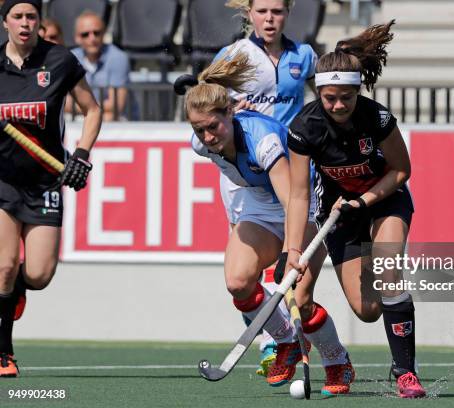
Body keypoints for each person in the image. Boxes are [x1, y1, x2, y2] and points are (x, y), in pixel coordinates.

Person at [178, 51, 354, 395]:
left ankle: (337, 361)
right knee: (238, 282)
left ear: (231, 111)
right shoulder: (201, 144)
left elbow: (293, 201)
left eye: (213, 127)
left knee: (300, 298)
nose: (208, 136)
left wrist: (292, 252)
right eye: (200, 129)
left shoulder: (265, 141)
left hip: (305, 202)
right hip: (260, 204)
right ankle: (285, 339)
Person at [284, 20, 427, 398]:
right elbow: (299, 196)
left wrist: (363, 201)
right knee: (367, 309)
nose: (338, 105)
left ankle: (405, 373)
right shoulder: (304, 128)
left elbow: (401, 170)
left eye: (346, 96)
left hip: (384, 201)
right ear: (318, 92)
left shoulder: (376, 118)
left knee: (388, 273)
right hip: (339, 215)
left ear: (357, 90)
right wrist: (293, 251)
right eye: (329, 97)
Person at [0, 0, 102, 377]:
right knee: (5, 264)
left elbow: (93, 110)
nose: (25, 24)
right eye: (17, 17)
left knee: (39, 274)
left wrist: (81, 155)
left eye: (31, 17)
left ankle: (12, 295)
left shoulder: (60, 61)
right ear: (5, 22)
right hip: (3, 180)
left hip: (45, 180)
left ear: (39, 21)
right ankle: (3, 351)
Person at [219, 0, 318, 376]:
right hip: (245, 172)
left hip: (288, 170)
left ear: (288, 12)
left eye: (277, 11)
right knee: (246, 267)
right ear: (249, 14)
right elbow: (207, 103)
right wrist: (230, 104)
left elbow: (325, 98)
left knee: (289, 263)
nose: (269, 18)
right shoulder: (233, 55)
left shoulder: (304, 55)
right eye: (262, 11)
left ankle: (283, 339)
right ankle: (271, 340)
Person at [69, 10, 129, 121]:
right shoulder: (70, 58)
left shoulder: (118, 57)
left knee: (110, 118)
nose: (92, 38)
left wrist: (87, 111)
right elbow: (63, 103)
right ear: (77, 38)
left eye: (96, 33)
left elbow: (116, 105)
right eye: (85, 34)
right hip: (80, 118)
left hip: (111, 122)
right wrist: (93, 111)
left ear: (104, 33)